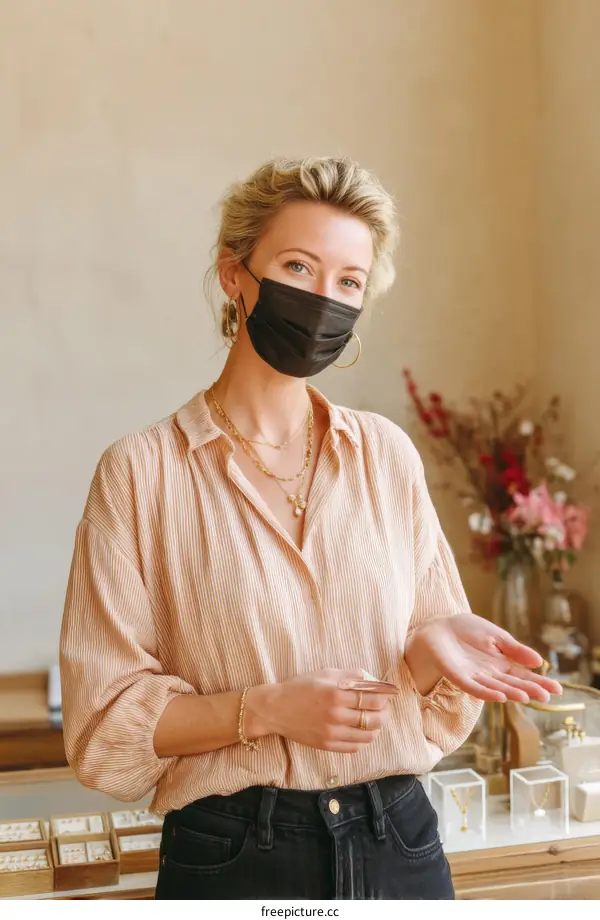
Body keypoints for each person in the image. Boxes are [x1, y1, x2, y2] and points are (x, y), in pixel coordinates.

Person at [60, 156, 561, 900]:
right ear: (235, 275)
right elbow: (103, 728)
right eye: (299, 266)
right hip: (232, 853)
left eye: (348, 282)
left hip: (401, 842)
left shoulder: (386, 455)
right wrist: (261, 710)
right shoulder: (141, 474)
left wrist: (427, 657)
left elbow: (421, 698)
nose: (324, 299)